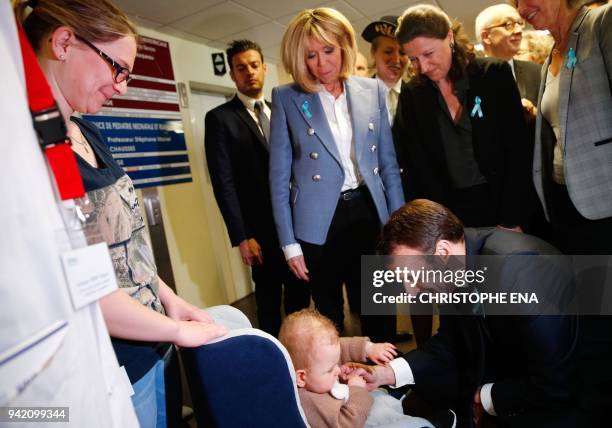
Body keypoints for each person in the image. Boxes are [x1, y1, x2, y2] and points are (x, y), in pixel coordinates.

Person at [14, 0, 246, 425]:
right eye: (117, 68)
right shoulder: (26, 151)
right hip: (113, 360)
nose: (121, 86)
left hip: (153, 340)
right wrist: (176, 330)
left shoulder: (86, 131)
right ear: (64, 42)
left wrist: (170, 301)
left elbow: (124, 247)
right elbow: (82, 286)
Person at [362, 199, 578, 428]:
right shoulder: (453, 267)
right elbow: (451, 341)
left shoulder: (520, 273)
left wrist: (484, 397)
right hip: (506, 370)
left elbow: (557, 382)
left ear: (442, 251)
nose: (410, 291)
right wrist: (386, 374)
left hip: (564, 397)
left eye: (411, 275)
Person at [269, 7, 405, 342]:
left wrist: (401, 229)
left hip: (369, 211)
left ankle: (389, 379)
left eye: (328, 51)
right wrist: (289, 244)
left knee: (379, 305)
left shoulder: (371, 90)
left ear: (344, 46)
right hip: (318, 221)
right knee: (329, 314)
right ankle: (338, 383)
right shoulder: (286, 98)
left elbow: (388, 166)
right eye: (311, 55)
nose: (321, 63)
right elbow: (278, 178)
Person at [514, 1, 612, 425]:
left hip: (605, 205)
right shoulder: (552, 51)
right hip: (568, 210)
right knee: (593, 316)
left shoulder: (601, 23)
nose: (522, 7)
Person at [392, 5, 533, 232]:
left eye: (428, 54)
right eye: (413, 59)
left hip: (504, 205)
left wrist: (511, 218)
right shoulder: (414, 93)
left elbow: (518, 150)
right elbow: (416, 165)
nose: (423, 67)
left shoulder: (492, 75)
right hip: (449, 217)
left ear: (449, 37)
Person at [205, 39, 309, 337]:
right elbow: (223, 181)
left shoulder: (283, 109)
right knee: (267, 299)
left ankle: (300, 353)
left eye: (254, 65)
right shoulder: (220, 119)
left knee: (301, 295)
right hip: (259, 232)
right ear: (232, 74)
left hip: (295, 225)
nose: (249, 72)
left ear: (264, 68)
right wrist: (241, 236)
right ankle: (275, 358)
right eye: (241, 68)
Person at [279, 309, 433, 428]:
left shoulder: (313, 370)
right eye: (330, 369)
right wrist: (356, 390)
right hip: (354, 419)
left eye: (336, 364)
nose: (338, 369)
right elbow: (347, 423)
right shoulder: (309, 402)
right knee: (386, 409)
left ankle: (400, 407)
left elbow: (340, 346)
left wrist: (368, 348)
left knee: (380, 398)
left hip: (354, 405)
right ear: (301, 377)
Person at [475, 4, 541, 116]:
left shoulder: (537, 72)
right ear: (486, 36)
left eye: (520, 23)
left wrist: (534, 114)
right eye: (508, 24)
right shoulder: (471, 77)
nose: (519, 30)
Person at [361, 16, 410, 126]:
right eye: (388, 52)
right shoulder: (357, 96)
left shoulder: (417, 97)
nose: (396, 60)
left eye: (402, 53)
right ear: (374, 52)